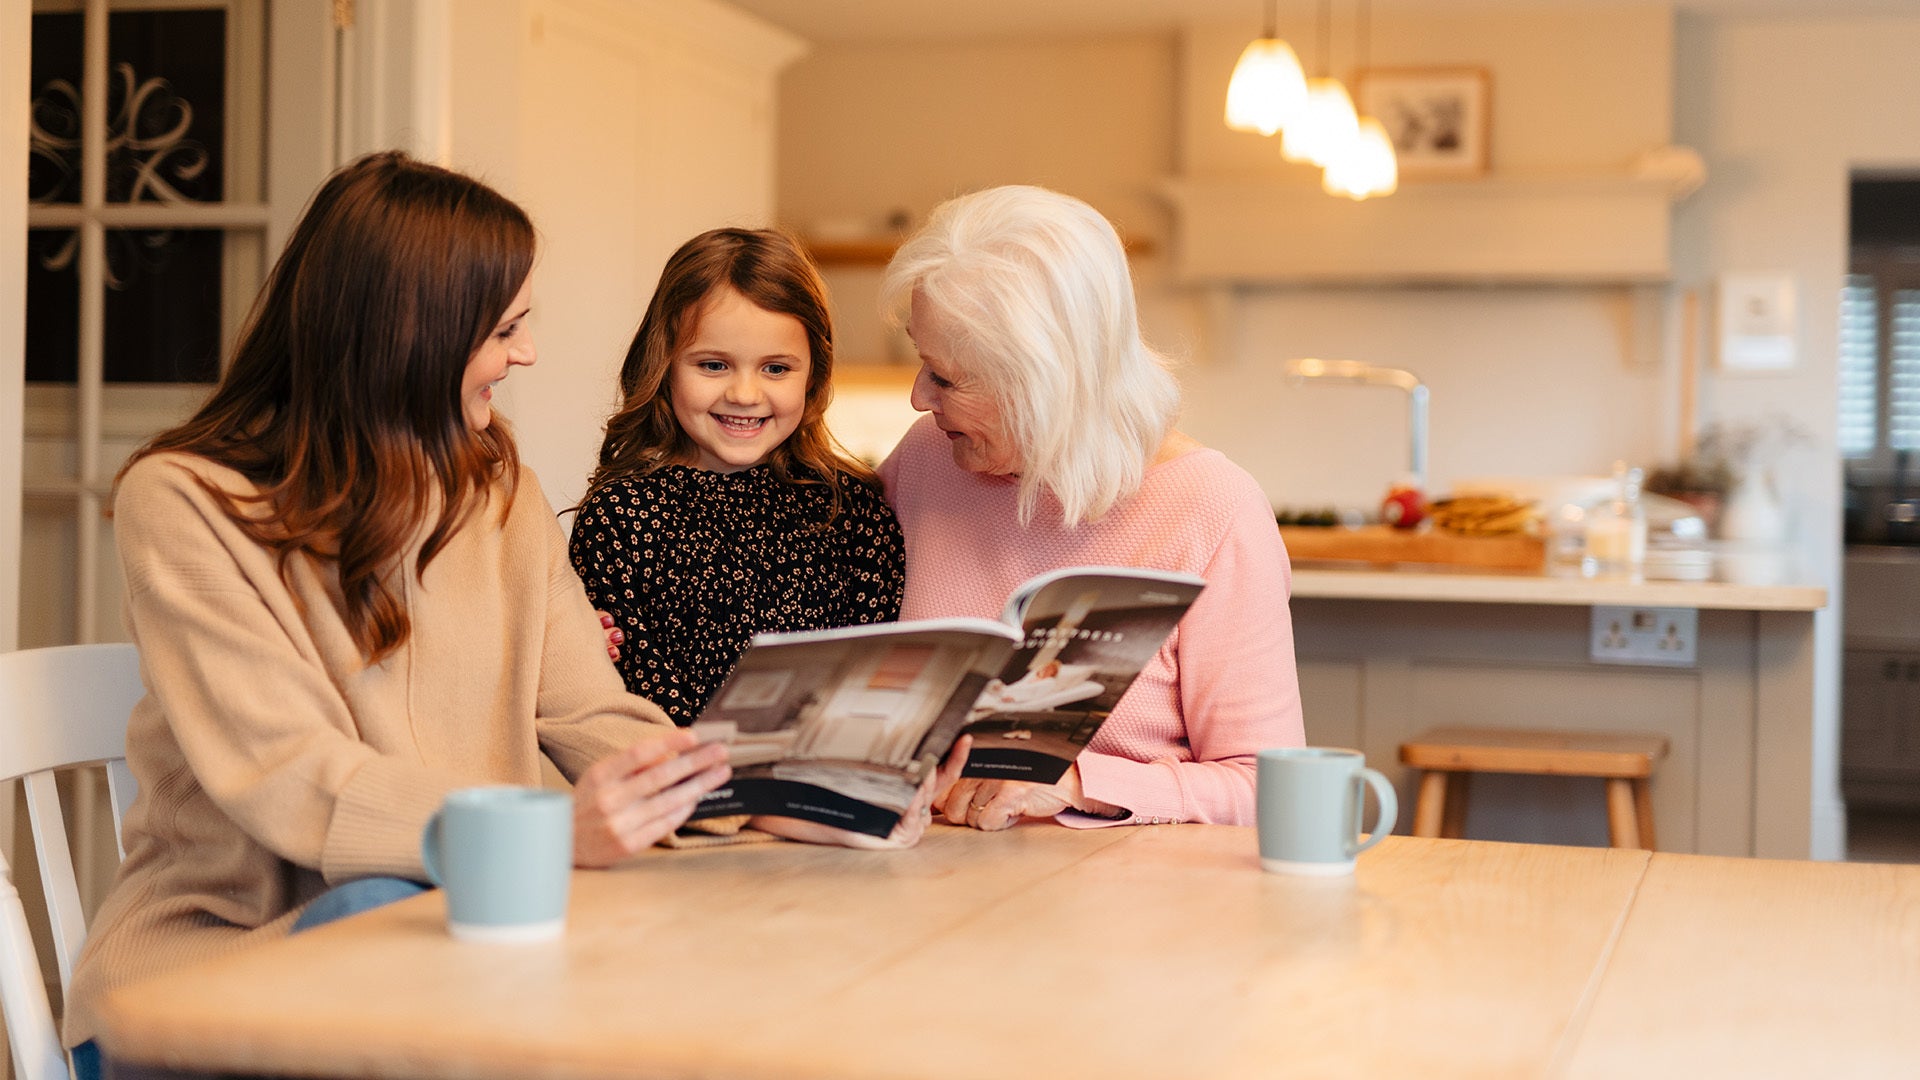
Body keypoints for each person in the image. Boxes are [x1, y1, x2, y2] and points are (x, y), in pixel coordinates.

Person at [61, 152, 743, 1069]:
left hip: (447, 953)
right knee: (387, 918)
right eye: (504, 329)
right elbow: (288, 771)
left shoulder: (503, 491)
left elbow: (592, 712)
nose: (526, 355)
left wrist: (781, 794)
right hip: (209, 980)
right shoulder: (187, 498)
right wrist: (538, 836)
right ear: (412, 332)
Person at [877, 184, 1307, 831]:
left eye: (945, 377)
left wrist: (1078, 781)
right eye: (921, 361)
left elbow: (1268, 785)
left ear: (1039, 385)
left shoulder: (1215, 510)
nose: (918, 397)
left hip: (1126, 899)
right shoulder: (926, 459)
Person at [570, 227, 904, 727]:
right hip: (683, 789)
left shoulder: (853, 513)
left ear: (814, 374)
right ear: (664, 366)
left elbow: (877, 681)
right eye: (713, 364)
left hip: (824, 790)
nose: (745, 394)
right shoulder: (621, 517)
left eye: (775, 369)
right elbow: (628, 698)